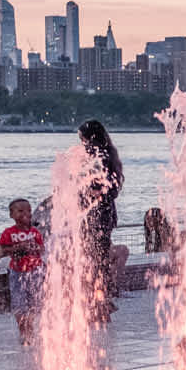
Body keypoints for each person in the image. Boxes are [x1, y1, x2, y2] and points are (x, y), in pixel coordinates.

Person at [77, 120, 125, 313]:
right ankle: (102, 300)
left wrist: (83, 191)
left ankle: (100, 302)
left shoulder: (97, 157)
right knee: (100, 258)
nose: (81, 143)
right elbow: (112, 189)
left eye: (82, 138)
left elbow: (96, 189)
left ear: (90, 138)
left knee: (93, 259)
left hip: (95, 216)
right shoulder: (109, 155)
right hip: (106, 215)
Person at [0, 199, 45, 345]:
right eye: (20, 211)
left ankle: (31, 330)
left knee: (34, 302)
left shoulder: (35, 232)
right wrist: (17, 248)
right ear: (11, 215)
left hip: (35, 272)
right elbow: (2, 250)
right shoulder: (8, 233)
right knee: (19, 304)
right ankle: (23, 332)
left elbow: (42, 249)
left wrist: (34, 248)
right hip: (17, 273)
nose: (26, 214)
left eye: (29, 211)